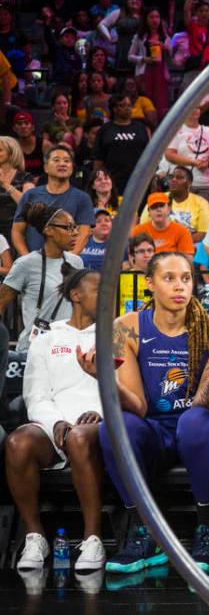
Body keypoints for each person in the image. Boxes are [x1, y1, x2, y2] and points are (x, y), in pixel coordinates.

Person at [99, 251, 209, 573]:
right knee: (114, 426)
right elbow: (137, 405)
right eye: (169, 278)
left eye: (186, 278)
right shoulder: (126, 328)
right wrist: (103, 380)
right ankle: (143, 529)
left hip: (200, 428)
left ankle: (207, 525)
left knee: (193, 422)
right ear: (149, 283)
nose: (180, 286)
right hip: (156, 431)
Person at [6, 268, 105, 572]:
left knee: (78, 438)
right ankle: (35, 536)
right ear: (76, 296)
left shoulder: (115, 334)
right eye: (100, 289)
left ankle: (93, 538)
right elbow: (35, 395)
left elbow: (122, 387)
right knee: (17, 442)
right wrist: (55, 423)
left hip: (99, 423)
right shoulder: (46, 339)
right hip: (54, 424)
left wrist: (99, 412)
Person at [1, 202, 84, 352]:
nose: (76, 232)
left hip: (66, 349)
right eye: (69, 227)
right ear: (49, 230)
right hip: (33, 351)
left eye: (75, 227)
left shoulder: (76, 262)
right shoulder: (25, 264)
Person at [92, 94, 152, 194]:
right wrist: (98, 180)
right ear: (114, 108)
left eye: (129, 105)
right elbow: (98, 160)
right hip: (113, 181)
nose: (127, 108)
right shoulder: (105, 130)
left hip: (138, 181)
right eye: (123, 105)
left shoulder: (141, 128)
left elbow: (149, 156)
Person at [138, 166, 209, 243]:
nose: (173, 180)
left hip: (190, 243)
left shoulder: (202, 203)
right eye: (171, 177)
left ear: (189, 182)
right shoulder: (156, 199)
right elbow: (144, 227)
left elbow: (204, 233)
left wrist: (177, 242)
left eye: (179, 178)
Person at [163, 105, 209, 204]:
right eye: (192, 106)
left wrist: (207, 163)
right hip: (181, 183)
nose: (195, 110)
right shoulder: (176, 130)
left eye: (197, 107)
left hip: (205, 183)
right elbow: (169, 155)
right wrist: (192, 162)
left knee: (204, 216)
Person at [130, 192, 195, 257]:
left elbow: (188, 260)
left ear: (169, 209)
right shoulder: (138, 231)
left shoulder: (182, 231)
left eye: (161, 206)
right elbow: (130, 255)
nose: (158, 209)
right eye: (154, 207)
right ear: (149, 212)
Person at [0, 135, 34, 243]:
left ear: (11, 153)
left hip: (16, 232)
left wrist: (6, 185)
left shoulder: (25, 177)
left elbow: (29, 204)